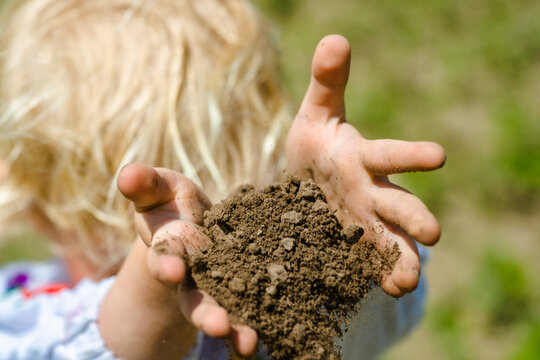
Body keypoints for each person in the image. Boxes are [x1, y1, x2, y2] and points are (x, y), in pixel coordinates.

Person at [0, 0, 445, 359]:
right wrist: (340, 235)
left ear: (39, 207)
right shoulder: (302, 316)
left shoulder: (26, 315)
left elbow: (112, 348)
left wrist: (157, 290)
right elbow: (394, 307)